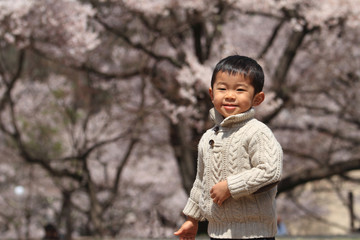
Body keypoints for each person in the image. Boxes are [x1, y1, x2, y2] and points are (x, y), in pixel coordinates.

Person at [174, 55, 283, 240]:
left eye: (240, 90)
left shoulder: (257, 132)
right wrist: (192, 219)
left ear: (257, 98)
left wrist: (231, 187)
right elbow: (201, 182)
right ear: (211, 94)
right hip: (217, 232)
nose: (230, 95)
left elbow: (271, 170)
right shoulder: (208, 137)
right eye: (222, 89)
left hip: (255, 233)